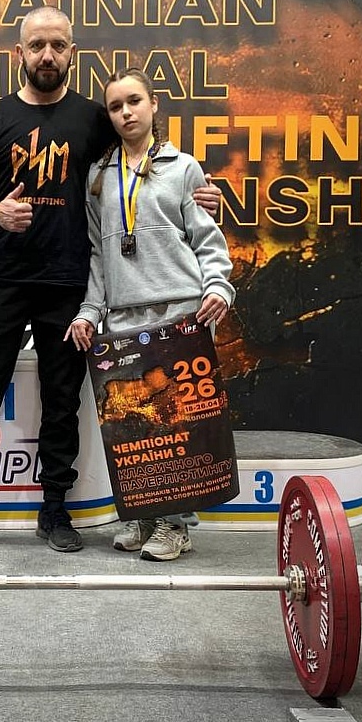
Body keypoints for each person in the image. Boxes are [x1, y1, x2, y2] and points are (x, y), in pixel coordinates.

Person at [0, 9, 222, 560]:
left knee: (62, 402)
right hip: (4, 281)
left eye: (57, 45)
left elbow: (141, 161)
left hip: (69, 284)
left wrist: (196, 193)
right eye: (37, 45)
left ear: (72, 52)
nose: (47, 55)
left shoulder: (93, 119)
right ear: (20, 54)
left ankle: (55, 507)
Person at [65, 66, 235, 562]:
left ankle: (175, 525)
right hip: (123, 318)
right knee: (134, 424)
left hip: (181, 312)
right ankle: (142, 517)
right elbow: (98, 255)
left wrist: (219, 287)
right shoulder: (98, 177)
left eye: (134, 101)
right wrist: (89, 312)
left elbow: (206, 239)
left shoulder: (184, 167)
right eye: (115, 106)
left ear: (154, 104)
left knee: (176, 423)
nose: (126, 113)